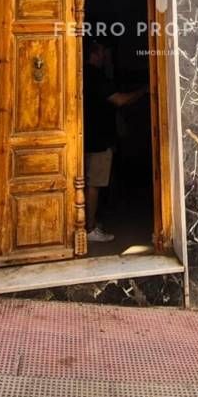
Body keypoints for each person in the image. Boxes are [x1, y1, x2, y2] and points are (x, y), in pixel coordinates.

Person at [82, 37, 144, 243]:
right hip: (98, 140)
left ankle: (88, 223)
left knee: (90, 182)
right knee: (94, 183)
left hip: (90, 137)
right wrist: (144, 91)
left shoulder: (85, 73)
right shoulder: (96, 76)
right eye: (103, 52)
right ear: (96, 53)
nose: (106, 56)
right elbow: (120, 100)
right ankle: (89, 229)